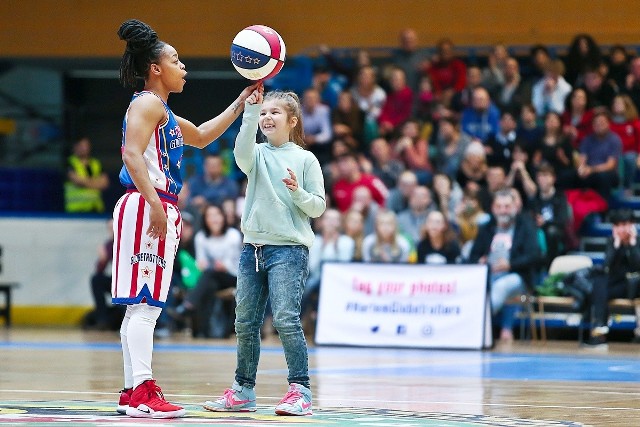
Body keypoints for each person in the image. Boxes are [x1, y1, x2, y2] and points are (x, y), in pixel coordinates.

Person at [111, 19, 256, 419]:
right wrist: (156, 206)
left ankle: (130, 390)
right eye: (176, 60)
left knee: (138, 307)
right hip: (148, 205)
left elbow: (206, 135)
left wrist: (241, 101)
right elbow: (131, 156)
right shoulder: (147, 103)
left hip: (150, 205)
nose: (183, 67)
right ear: (155, 68)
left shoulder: (165, 113)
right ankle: (143, 390)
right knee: (146, 305)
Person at [204, 87, 326, 416]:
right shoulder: (256, 153)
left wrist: (298, 192)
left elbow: (317, 207)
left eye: (275, 112)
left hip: (288, 251)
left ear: (293, 121)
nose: (267, 117)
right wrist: (249, 110)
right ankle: (243, 390)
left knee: (286, 320)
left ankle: (300, 391)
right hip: (252, 249)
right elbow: (241, 153)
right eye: (264, 113)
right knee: (244, 323)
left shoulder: (305, 159)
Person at [468, 189, 540, 342]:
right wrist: (480, 261)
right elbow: (473, 255)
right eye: (499, 206)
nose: (503, 210)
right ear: (493, 208)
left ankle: (475, 324)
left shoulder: (525, 225)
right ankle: (494, 326)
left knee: (502, 286)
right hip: (489, 274)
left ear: (514, 207)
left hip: (517, 276)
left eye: (506, 206)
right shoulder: (486, 227)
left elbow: (535, 255)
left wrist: (509, 265)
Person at [172, 204, 242, 338]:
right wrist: (204, 265)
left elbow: (233, 263)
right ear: (205, 219)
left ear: (223, 217)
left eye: (217, 215)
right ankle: (210, 331)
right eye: (210, 216)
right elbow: (201, 262)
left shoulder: (233, 235)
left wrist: (221, 266)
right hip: (212, 276)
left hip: (233, 276)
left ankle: (187, 306)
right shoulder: (201, 237)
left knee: (210, 275)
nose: (214, 219)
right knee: (210, 282)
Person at [585, 209, 640, 347]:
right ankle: (600, 329)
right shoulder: (611, 242)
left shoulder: (638, 242)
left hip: (636, 286)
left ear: (632, 225)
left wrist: (632, 246)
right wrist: (615, 246)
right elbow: (606, 267)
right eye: (618, 225)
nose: (622, 229)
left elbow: (637, 266)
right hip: (619, 285)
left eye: (625, 224)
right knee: (599, 282)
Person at [85, 219, 122, 330]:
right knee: (96, 280)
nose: (112, 231)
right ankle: (103, 318)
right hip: (118, 282)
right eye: (110, 229)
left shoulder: (128, 241)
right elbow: (100, 270)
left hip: (132, 283)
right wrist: (102, 259)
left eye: (114, 228)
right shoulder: (109, 245)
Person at [575, 111, 622, 198]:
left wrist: (591, 169)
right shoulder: (587, 139)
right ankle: (574, 206)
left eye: (602, 122)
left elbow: (610, 165)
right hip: (589, 172)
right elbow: (582, 159)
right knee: (571, 176)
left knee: (602, 177)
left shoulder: (614, 139)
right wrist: (581, 169)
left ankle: (602, 207)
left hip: (608, 173)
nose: (599, 125)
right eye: (596, 123)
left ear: (608, 124)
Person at [64, 136, 109, 213]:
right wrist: (96, 183)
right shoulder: (69, 163)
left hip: (96, 209)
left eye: (86, 146)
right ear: (75, 147)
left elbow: (105, 183)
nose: (84, 148)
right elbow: (78, 181)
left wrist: (85, 182)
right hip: (76, 211)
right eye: (81, 146)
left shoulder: (96, 163)